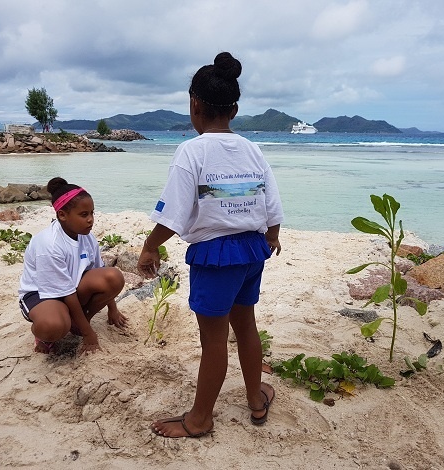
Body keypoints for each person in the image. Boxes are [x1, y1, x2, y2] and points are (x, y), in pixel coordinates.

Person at [137, 52, 284, 438]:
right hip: (253, 251)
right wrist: (272, 236)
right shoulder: (253, 149)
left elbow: (174, 212)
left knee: (214, 339)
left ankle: (200, 419)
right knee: (246, 326)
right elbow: (272, 203)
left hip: (216, 257)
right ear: (234, 109)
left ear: (194, 105)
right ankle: (255, 399)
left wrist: (150, 246)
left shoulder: (191, 151)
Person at [18, 177, 127, 354]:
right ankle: (45, 336)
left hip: (70, 287)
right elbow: (66, 292)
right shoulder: (49, 244)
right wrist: (88, 333)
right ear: (62, 215)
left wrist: (112, 309)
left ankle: (78, 322)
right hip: (41, 293)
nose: (91, 220)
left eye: (92, 213)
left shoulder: (87, 236)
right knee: (53, 326)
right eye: (84, 215)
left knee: (113, 277)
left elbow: (97, 271)